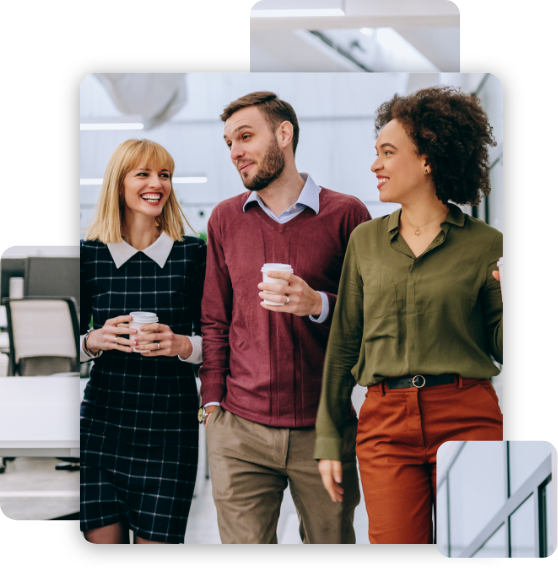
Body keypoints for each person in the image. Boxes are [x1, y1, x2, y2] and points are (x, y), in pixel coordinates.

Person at [315, 85, 503, 545]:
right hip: (383, 426)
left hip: (468, 418)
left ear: (428, 160)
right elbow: (343, 345)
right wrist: (328, 440)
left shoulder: (486, 245)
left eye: (387, 152)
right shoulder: (365, 241)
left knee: (476, 547)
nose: (375, 165)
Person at [199, 91, 372, 544]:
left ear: (284, 134)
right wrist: (212, 401)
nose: (235, 150)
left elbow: (371, 315)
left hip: (324, 428)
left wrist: (319, 304)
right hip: (238, 429)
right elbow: (215, 320)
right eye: (229, 142)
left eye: (245, 136)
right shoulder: (224, 220)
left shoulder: (347, 215)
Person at [79, 139, 206, 544]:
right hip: (102, 425)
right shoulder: (89, 255)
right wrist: (94, 340)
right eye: (144, 174)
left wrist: (182, 345)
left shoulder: (193, 255)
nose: (157, 184)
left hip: (169, 429)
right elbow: (73, 342)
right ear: (119, 184)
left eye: (164, 174)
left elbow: (217, 339)